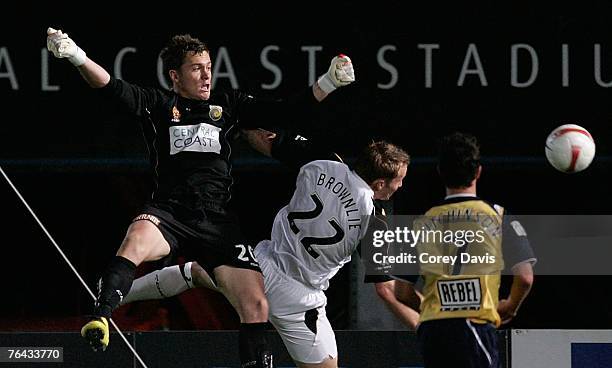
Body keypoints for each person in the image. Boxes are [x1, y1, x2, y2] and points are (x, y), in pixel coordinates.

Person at [46, 27, 355, 368]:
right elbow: (112, 87)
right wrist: (75, 56)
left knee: (256, 305)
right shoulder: (160, 105)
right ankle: (101, 317)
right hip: (169, 213)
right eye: (196, 67)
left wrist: (329, 82)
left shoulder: (229, 105)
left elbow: (284, 112)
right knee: (134, 241)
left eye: (209, 66)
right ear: (175, 76)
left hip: (217, 222)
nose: (207, 73)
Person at [122, 134, 410, 367]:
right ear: (380, 183)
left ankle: (120, 291)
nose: (401, 185)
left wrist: (240, 123)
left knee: (194, 272)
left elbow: (265, 139)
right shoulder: (375, 221)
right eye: (400, 180)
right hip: (300, 299)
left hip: (261, 265)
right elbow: (385, 289)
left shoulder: (323, 161)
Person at [400, 132, 535, 368]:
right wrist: (510, 306)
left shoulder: (421, 222)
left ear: (440, 172)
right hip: (474, 325)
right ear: (478, 172)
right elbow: (524, 277)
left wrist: (434, 305)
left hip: (433, 331)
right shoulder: (497, 216)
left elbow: (402, 291)